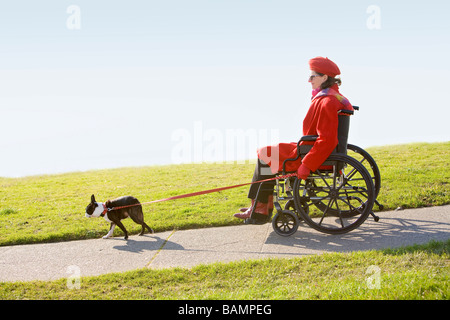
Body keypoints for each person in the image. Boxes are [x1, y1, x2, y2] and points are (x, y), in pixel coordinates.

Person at [234, 57, 353, 224]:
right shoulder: (332, 97)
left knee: (265, 154)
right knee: (266, 151)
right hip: (309, 147)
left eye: (313, 76)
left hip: (310, 154)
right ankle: (259, 205)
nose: (309, 80)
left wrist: (307, 164)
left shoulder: (327, 101)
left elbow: (327, 140)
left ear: (324, 77)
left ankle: (260, 207)